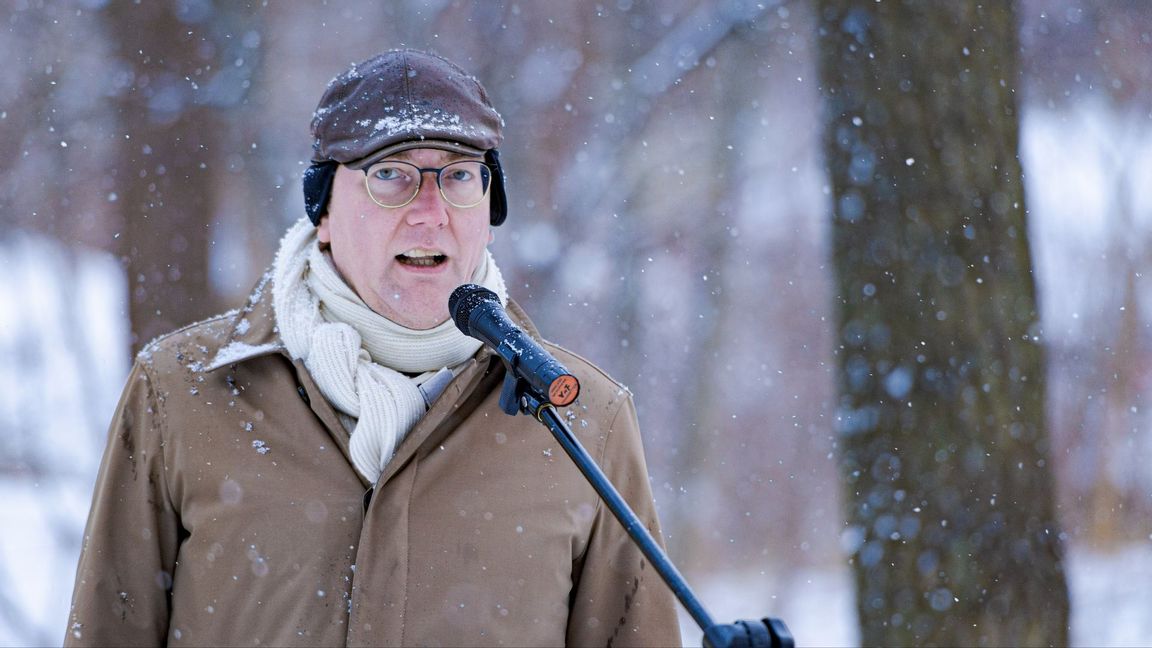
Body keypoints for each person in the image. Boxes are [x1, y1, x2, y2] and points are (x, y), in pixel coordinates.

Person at [65, 49, 682, 647]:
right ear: (324, 211)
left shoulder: (581, 418)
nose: (431, 213)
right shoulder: (180, 392)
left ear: (489, 209)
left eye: (459, 175)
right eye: (390, 174)